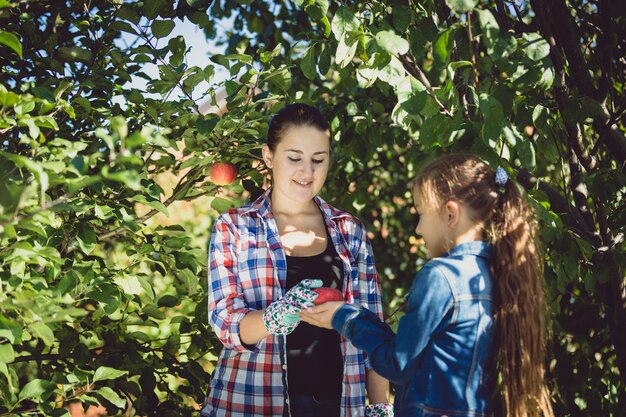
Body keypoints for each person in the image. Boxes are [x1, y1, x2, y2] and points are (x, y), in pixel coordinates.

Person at [301, 154, 555, 417]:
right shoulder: (498, 275)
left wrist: (343, 316)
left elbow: (398, 363)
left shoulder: (440, 277)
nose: (419, 229)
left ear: (450, 213)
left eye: (421, 213)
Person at [201, 103, 393, 417]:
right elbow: (224, 321)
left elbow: (372, 329)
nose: (308, 172)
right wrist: (271, 318)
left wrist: (380, 407)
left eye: (319, 159)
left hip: (337, 404)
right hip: (250, 401)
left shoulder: (349, 231)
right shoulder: (235, 227)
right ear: (268, 156)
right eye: (294, 158)